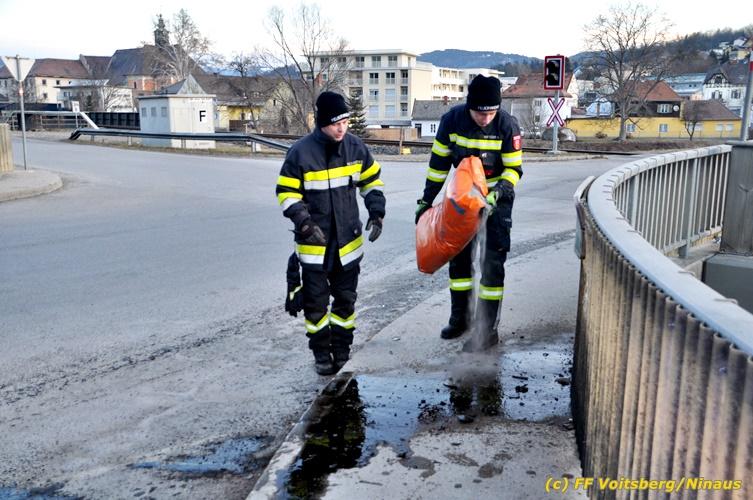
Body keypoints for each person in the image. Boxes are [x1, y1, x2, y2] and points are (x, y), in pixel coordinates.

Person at [275, 91, 386, 375]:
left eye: (345, 122)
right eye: (336, 123)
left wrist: (377, 212)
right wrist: (304, 224)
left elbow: (372, 182)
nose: (342, 128)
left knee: (346, 303)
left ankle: (343, 352)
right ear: (323, 122)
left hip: (348, 245)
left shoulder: (356, 147)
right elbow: (287, 193)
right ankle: (322, 354)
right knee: (316, 306)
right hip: (314, 246)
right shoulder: (300, 153)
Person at [415, 75, 523, 351]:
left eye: (491, 113)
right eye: (479, 113)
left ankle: (487, 330)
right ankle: (460, 319)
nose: (485, 119)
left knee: (492, 265)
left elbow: (514, 170)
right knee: (459, 262)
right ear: (469, 106)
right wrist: (426, 200)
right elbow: (438, 166)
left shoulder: (507, 125)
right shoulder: (451, 121)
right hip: (461, 202)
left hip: (496, 201)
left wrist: (500, 192)